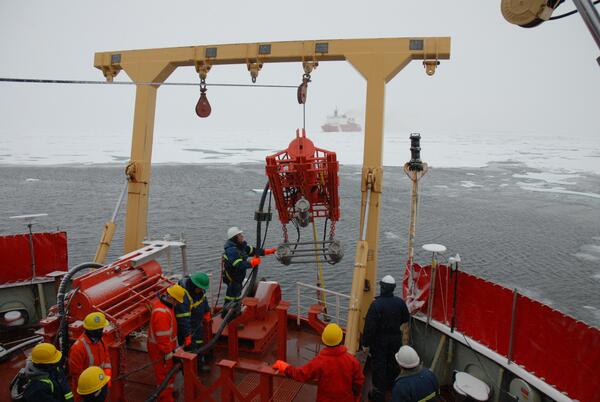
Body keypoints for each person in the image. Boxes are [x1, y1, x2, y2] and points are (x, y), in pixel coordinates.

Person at [272, 323, 364, 402]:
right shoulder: (352, 361)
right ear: (340, 339)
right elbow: (359, 383)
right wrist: (355, 397)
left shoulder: (320, 361)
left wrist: (285, 367)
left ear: (324, 341)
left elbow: (300, 374)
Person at [361, 274, 410, 402]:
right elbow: (405, 318)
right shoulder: (400, 302)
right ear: (393, 288)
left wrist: (365, 344)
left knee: (379, 365)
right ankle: (392, 387)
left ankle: (378, 394)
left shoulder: (376, 305)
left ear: (382, 288)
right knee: (393, 363)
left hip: (379, 342)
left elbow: (369, 327)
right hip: (395, 340)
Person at [147, 284, 185, 402]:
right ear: (172, 298)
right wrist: (170, 354)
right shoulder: (162, 313)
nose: (178, 304)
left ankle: (167, 394)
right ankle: (165, 398)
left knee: (169, 373)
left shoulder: (165, 306)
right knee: (164, 376)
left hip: (166, 348)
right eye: (177, 301)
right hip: (160, 351)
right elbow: (163, 339)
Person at [221, 227, 276, 309]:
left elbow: (253, 250)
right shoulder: (231, 250)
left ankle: (233, 312)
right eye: (240, 235)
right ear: (235, 237)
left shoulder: (241, 247)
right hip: (233, 280)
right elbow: (238, 264)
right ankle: (227, 314)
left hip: (238, 279)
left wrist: (267, 251)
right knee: (232, 299)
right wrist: (252, 263)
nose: (242, 236)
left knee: (236, 299)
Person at [69, 312, 112, 401]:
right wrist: (92, 389)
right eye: (101, 329)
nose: (103, 331)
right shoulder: (78, 348)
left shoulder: (100, 340)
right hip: (87, 392)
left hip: (99, 384)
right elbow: (76, 373)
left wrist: (106, 379)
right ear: (94, 330)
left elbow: (106, 359)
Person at [174, 272, 211, 350]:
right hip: (188, 328)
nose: (202, 290)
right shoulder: (183, 296)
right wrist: (187, 335)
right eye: (200, 288)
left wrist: (207, 311)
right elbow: (183, 319)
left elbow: (203, 300)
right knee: (191, 348)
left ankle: (200, 355)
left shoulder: (199, 291)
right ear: (194, 285)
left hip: (197, 324)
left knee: (199, 342)